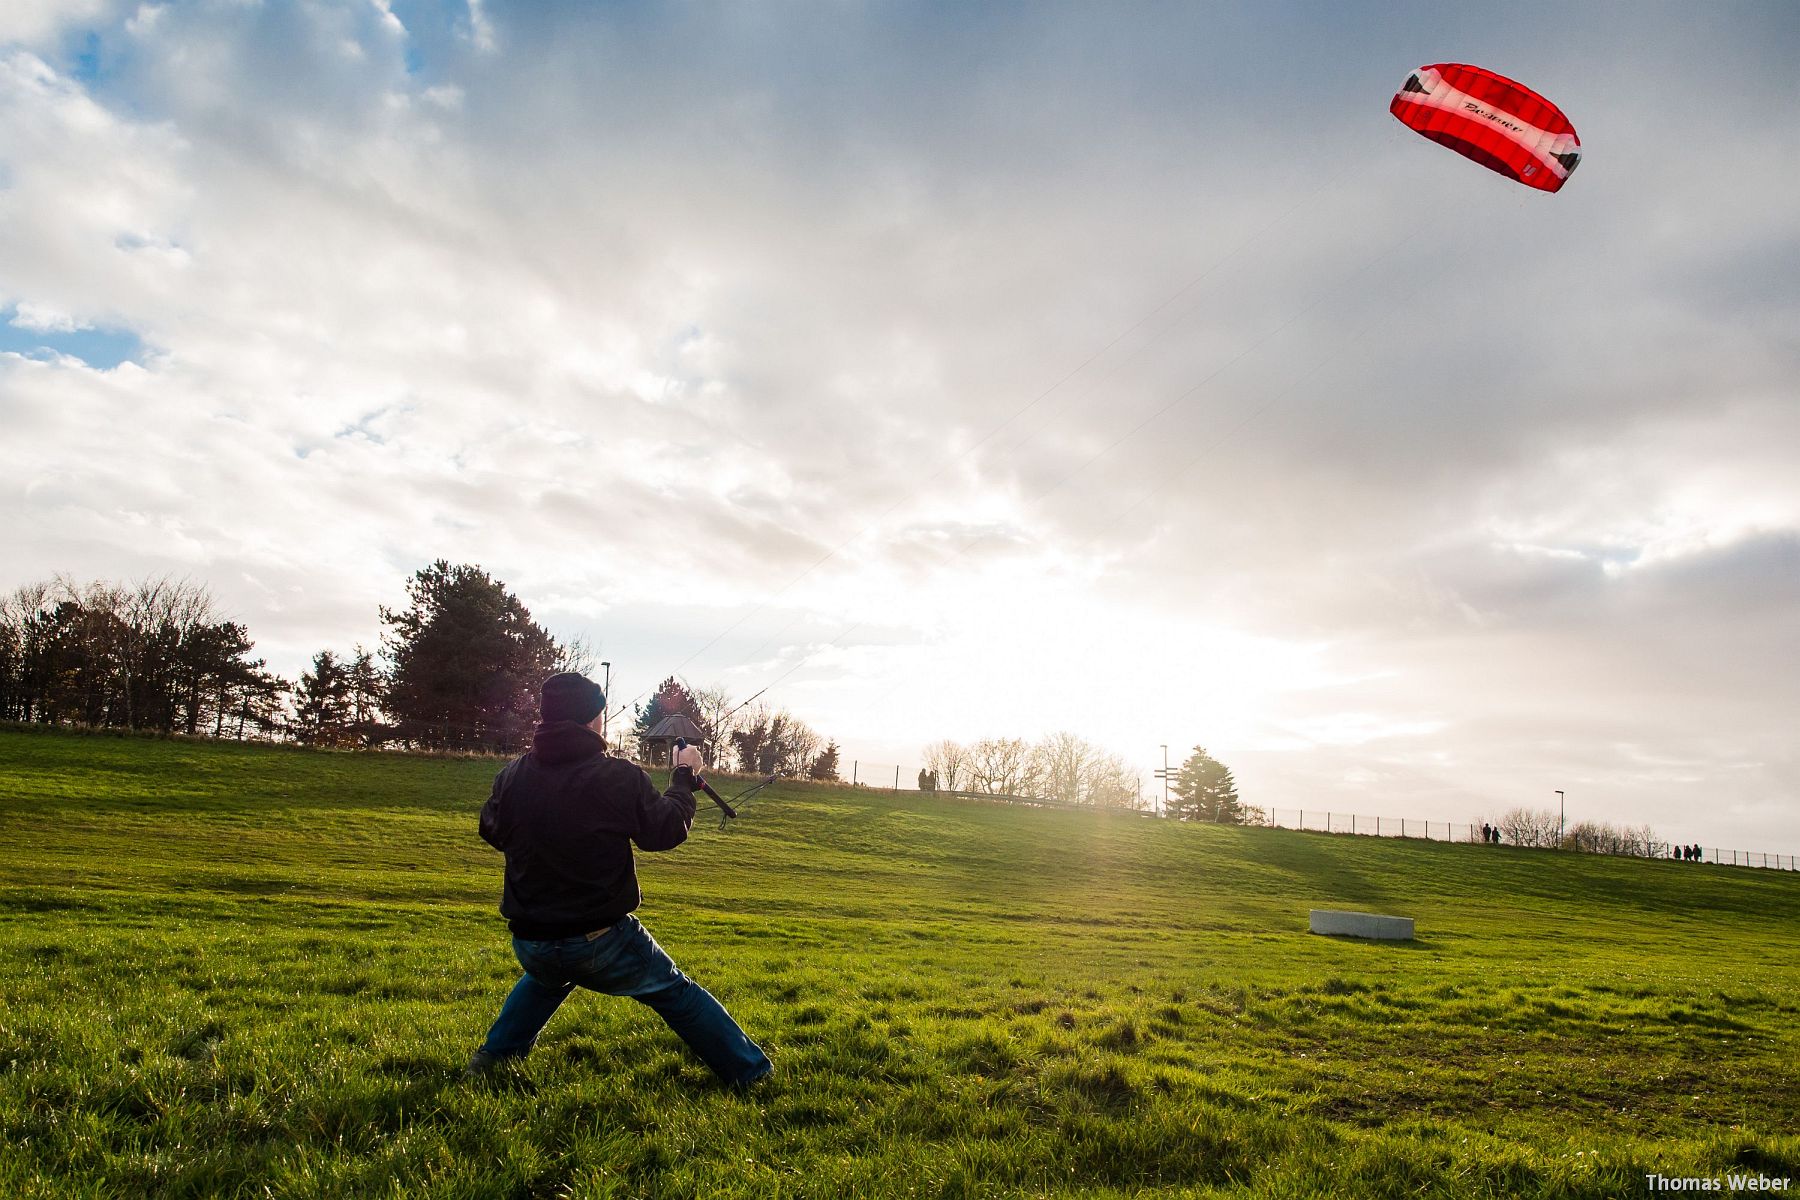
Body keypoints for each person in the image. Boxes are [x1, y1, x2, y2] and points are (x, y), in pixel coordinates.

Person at [465, 672, 771, 1087]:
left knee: (549, 973)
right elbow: (664, 832)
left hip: (531, 939)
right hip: (599, 940)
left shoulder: (512, 775)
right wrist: (683, 780)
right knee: (674, 991)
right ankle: (751, 1073)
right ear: (593, 719)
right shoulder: (617, 776)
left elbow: (491, 829)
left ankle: (493, 1059)